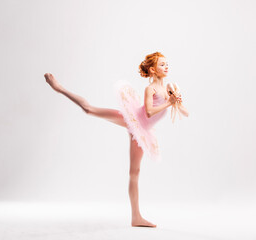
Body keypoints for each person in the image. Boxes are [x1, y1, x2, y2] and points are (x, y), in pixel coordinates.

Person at [44, 51, 189, 228]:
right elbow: (149, 112)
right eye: (162, 64)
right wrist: (169, 103)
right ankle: (60, 88)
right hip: (134, 118)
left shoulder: (168, 90)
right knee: (89, 110)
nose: (166, 67)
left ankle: (136, 217)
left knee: (134, 173)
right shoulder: (150, 89)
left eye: (167, 64)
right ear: (152, 69)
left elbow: (185, 113)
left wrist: (177, 101)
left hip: (143, 131)